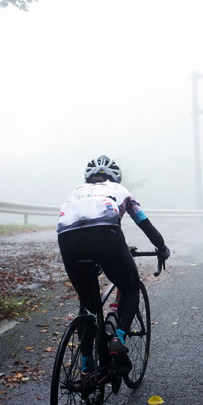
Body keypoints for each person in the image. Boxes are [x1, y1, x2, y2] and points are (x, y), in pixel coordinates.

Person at [57, 155, 169, 374]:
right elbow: (145, 224)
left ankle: (87, 364)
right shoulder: (122, 190)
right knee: (129, 287)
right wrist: (162, 248)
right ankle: (118, 340)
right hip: (105, 234)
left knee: (88, 304)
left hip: (68, 238)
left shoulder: (76, 191)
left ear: (88, 178)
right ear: (115, 177)